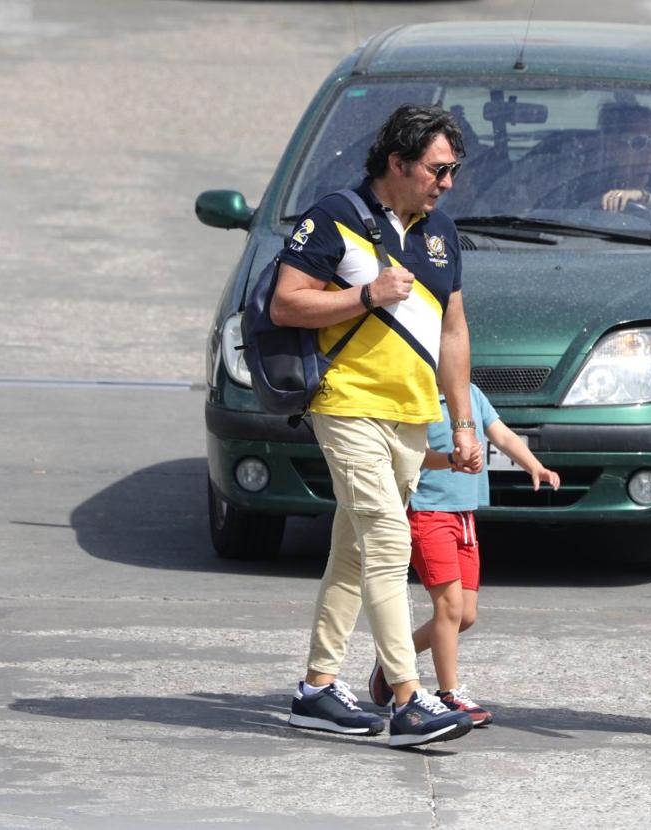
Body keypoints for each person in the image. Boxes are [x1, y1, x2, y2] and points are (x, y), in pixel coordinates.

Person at [273, 104, 484, 748]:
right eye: (437, 169)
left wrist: (464, 421)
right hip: (346, 403)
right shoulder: (336, 217)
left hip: (410, 415)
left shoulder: (441, 231)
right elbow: (287, 302)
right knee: (390, 543)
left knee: (354, 547)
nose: (447, 182)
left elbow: (453, 332)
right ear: (398, 163)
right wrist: (366, 294)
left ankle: (316, 688)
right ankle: (406, 698)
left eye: (453, 170)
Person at [366, 383, 561, 725]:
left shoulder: (471, 394)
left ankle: (394, 661)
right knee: (449, 608)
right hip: (428, 514)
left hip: (465, 516)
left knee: (466, 615)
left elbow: (501, 434)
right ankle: (449, 693)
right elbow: (414, 454)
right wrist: (452, 460)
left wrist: (534, 465)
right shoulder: (417, 392)